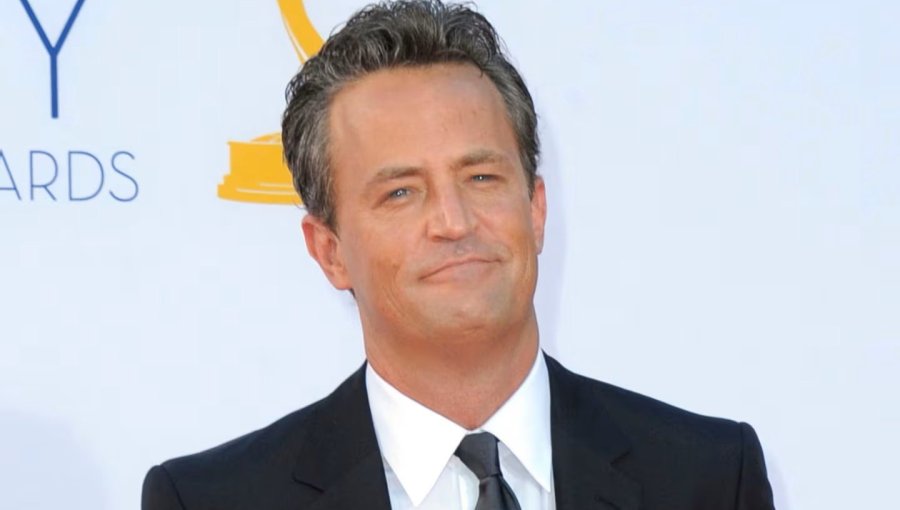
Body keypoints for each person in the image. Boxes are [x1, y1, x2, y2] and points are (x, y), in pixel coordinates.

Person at [142, 1, 776, 509]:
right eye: (400, 192)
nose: (453, 222)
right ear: (329, 251)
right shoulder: (213, 500)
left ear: (536, 209)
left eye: (481, 178)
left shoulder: (709, 477)